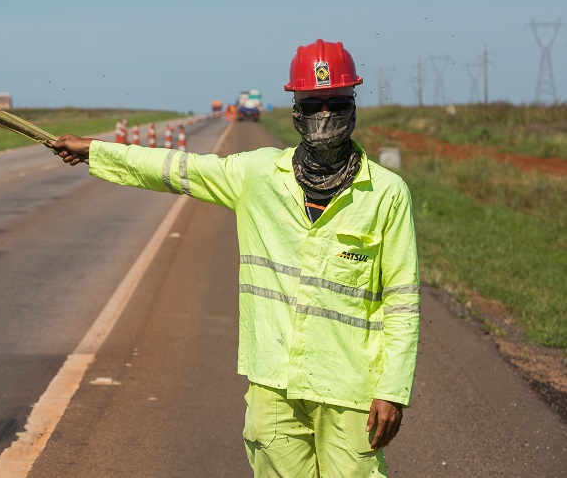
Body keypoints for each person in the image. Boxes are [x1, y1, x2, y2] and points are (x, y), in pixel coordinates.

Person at [52, 39, 420, 478]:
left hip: (349, 389)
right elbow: (178, 169)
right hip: (274, 384)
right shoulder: (258, 176)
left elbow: (402, 301)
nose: (325, 114)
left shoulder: (386, 194)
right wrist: (96, 151)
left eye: (336, 103)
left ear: (354, 107)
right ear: (296, 110)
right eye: (313, 104)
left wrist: (392, 390)